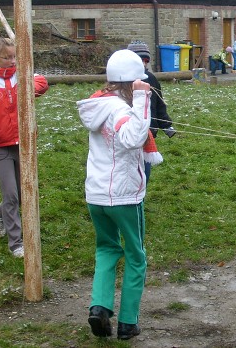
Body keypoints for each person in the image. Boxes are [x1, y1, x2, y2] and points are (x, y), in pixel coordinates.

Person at [77, 49, 151, 341]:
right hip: (123, 197)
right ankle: (127, 323)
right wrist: (143, 100)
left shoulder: (100, 104)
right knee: (136, 256)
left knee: (106, 249)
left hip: (95, 195)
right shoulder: (121, 110)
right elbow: (133, 138)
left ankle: (99, 307)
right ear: (132, 84)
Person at [0, 37, 49, 258]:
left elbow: (42, 83)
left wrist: (27, 87)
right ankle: (16, 243)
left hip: (23, 143)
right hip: (0, 146)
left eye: (14, 56)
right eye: (6, 57)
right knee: (10, 195)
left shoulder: (22, 73)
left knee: (19, 193)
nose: (12, 60)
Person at [127, 41, 172, 183]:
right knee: (130, 168)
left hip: (149, 131)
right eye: (140, 60)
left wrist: (166, 124)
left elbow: (159, 104)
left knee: (144, 171)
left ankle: (141, 195)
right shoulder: (124, 80)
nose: (144, 63)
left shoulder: (151, 78)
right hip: (128, 130)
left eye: (146, 60)